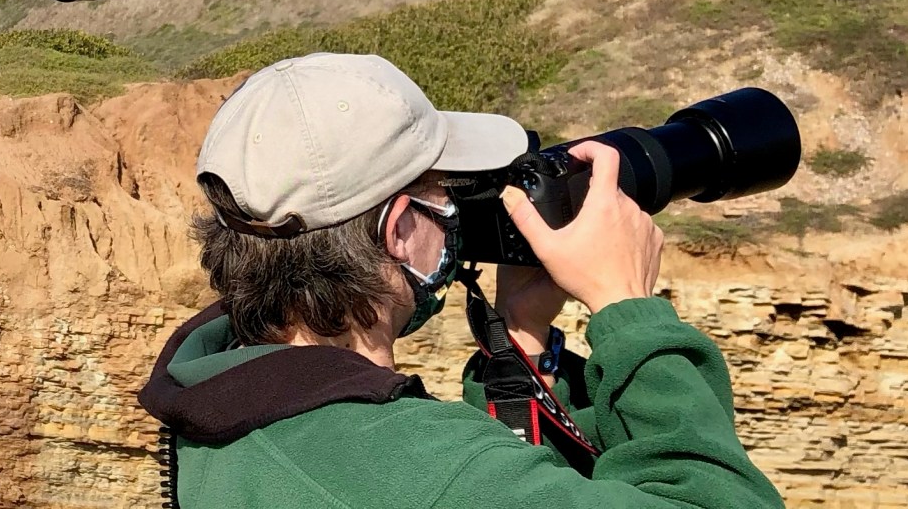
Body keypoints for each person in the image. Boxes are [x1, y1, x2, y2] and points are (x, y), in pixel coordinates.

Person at [138, 53, 782, 508]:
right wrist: (629, 309)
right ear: (398, 232)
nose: (459, 213)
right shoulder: (408, 463)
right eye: (445, 193)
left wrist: (522, 342)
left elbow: (515, 486)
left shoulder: (227, 393)